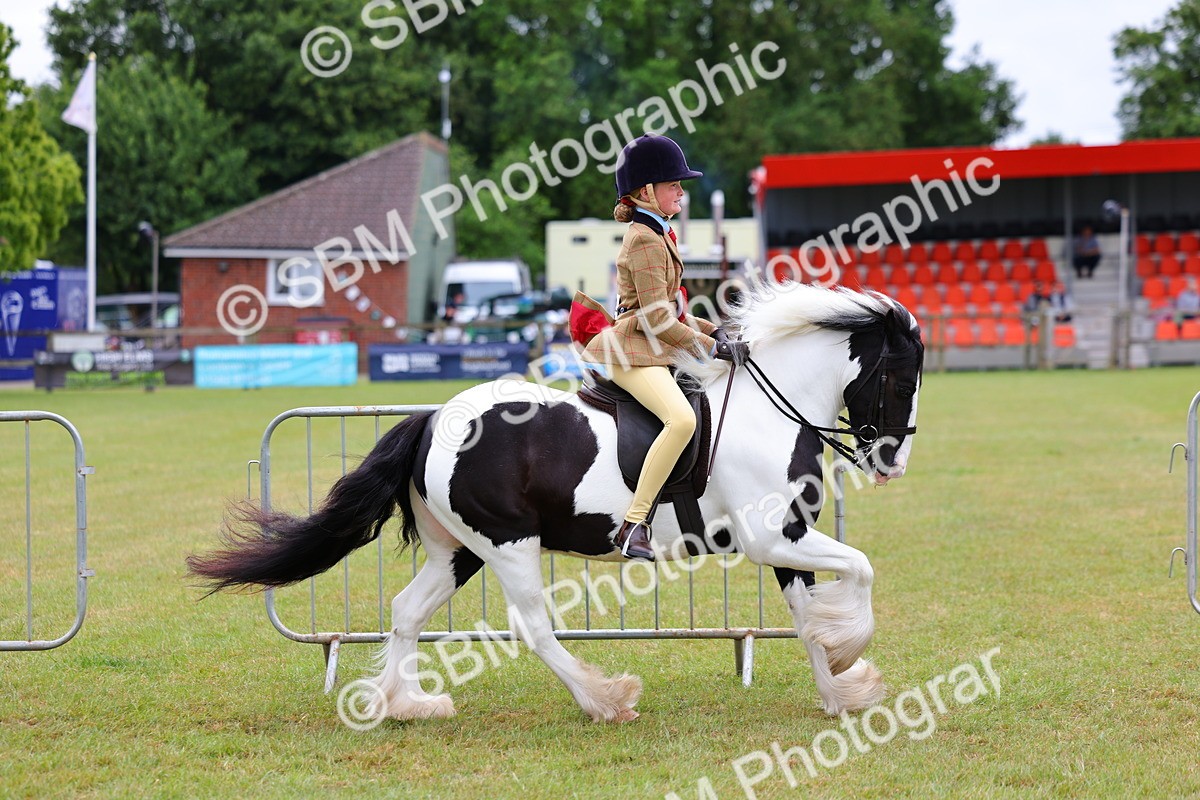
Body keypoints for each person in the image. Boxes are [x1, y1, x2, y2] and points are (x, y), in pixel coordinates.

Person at [569, 134, 747, 560]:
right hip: (633, 349)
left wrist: (717, 329)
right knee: (681, 420)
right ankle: (634, 523)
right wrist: (710, 348)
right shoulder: (645, 239)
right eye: (674, 185)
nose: (681, 191)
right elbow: (655, 318)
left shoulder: (657, 232)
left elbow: (674, 307)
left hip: (651, 344)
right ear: (646, 191)